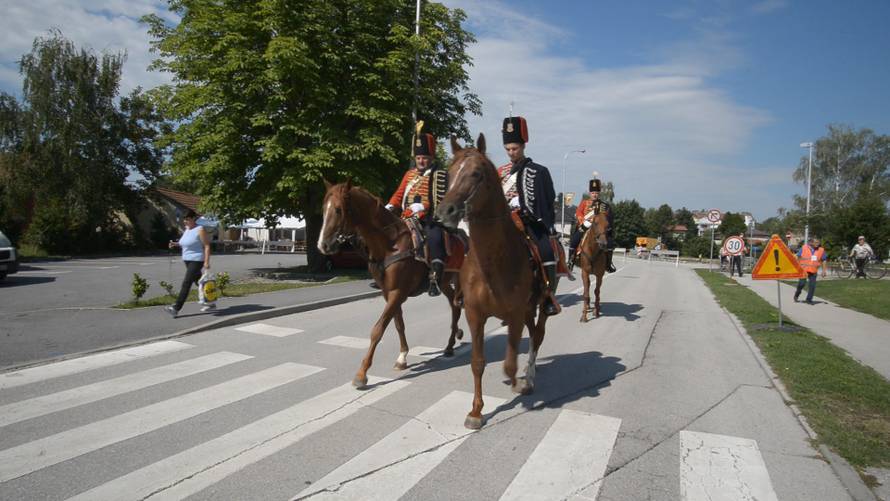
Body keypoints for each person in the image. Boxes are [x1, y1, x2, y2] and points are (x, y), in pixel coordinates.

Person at [497, 115, 562, 316]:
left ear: (523, 146)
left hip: (529, 221)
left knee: (547, 251)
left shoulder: (538, 171)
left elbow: (548, 198)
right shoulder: (500, 171)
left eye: (514, 148)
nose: (511, 153)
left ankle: (548, 296)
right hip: (503, 222)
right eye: (507, 149)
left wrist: (525, 206)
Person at [385, 121, 449, 296]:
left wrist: (424, 206)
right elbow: (399, 194)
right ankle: (384, 274)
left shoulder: (439, 175)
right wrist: (390, 205)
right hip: (406, 217)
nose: (421, 161)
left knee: (435, 237)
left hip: (428, 218)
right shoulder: (409, 174)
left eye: (425, 158)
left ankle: (435, 278)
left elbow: (440, 199)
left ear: (431, 158)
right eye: (419, 158)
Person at [165, 209, 213, 318]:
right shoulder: (187, 229)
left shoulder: (200, 229)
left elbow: (207, 246)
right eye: (184, 220)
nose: (185, 222)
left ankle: (176, 308)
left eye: (187, 219)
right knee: (201, 282)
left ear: (193, 219)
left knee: (186, 283)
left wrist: (206, 261)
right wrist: (175, 244)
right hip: (187, 260)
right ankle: (210, 301)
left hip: (197, 260)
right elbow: (186, 243)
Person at [567, 178, 616, 273]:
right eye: (593, 193)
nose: (595, 195)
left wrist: (607, 226)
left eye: (596, 193)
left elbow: (609, 217)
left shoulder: (604, 205)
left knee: (610, 243)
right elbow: (578, 213)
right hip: (585, 225)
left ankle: (609, 264)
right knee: (574, 240)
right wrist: (582, 220)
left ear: (599, 194)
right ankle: (570, 261)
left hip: (599, 229)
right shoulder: (584, 203)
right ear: (590, 193)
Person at [794, 237, 828, 304]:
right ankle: (797, 293)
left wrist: (824, 271)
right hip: (804, 270)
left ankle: (809, 299)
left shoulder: (821, 250)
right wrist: (797, 268)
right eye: (816, 242)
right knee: (801, 284)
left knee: (812, 286)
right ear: (811, 243)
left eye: (818, 242)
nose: (818, 244)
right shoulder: (804, 248)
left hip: (813, 270)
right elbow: (798, 257)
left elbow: (824, 260)